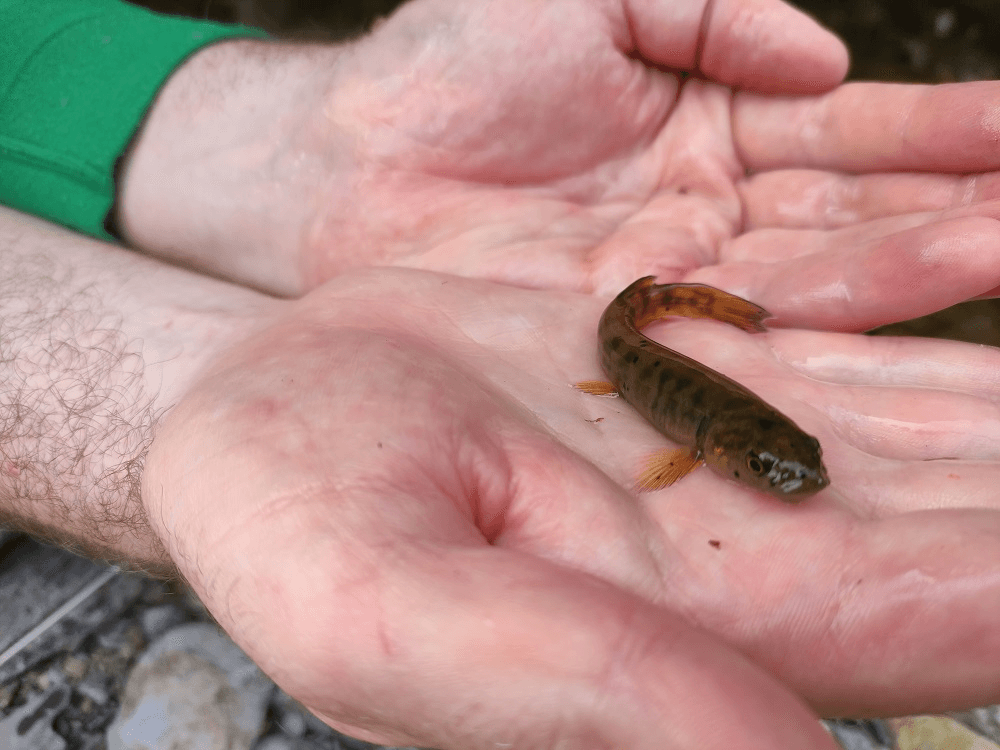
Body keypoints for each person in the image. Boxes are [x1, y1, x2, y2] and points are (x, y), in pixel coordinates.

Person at [4, 0, 1000, 748]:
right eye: (780, 467)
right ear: (716, 452)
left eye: (787, 464)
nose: (794, 477)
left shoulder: (716, 421)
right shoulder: (665, 402)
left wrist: (239, 128)